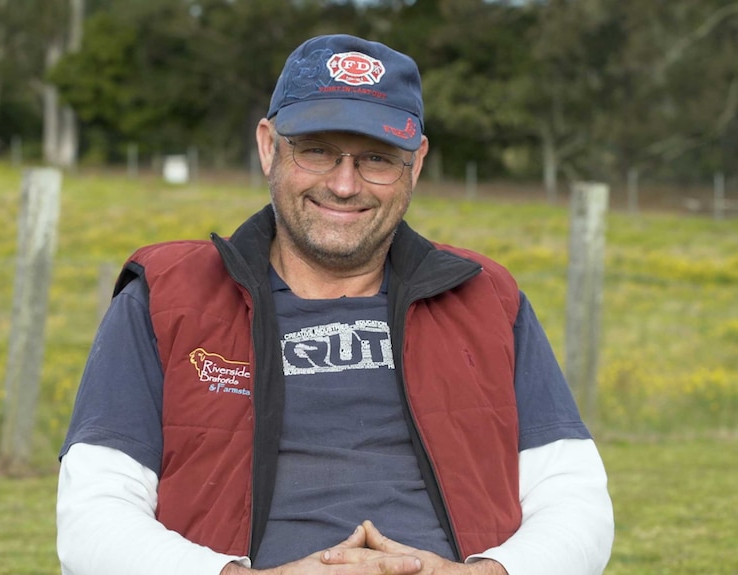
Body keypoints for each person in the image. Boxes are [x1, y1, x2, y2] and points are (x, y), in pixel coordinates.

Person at [56, 34, 614, 575]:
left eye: (377, 158)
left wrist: (483, 574)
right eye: (318, 151)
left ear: (415, 164)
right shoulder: (167, 297)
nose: (345, 185)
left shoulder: (486, 298)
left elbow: (574, 498)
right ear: (269, 147)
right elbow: (93, 516)